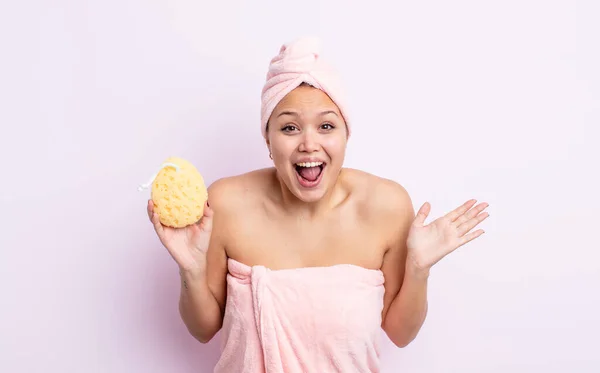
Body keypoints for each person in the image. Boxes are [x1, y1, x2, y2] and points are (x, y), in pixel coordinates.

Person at [146, 37, 489, 373]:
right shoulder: (226, 203)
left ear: (345, 135)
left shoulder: (386, 207)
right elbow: (203, 329)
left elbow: (400, 333)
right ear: (268, 138)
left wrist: (418, 269)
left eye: (326, 126)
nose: (309, 144)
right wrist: (190, 271)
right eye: (289, 127)